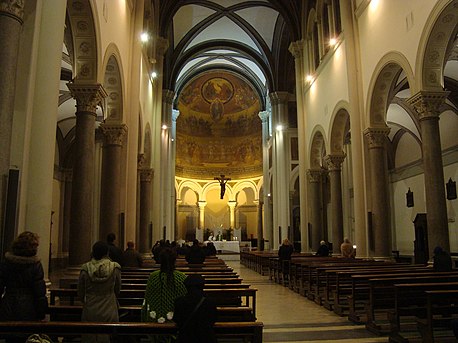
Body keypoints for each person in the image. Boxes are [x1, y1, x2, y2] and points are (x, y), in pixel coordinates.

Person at [78, 240, 121, 343]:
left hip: (91, 307)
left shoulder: (85, 269)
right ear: (107, 253)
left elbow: (80, 291)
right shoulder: (114, 267)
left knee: (90, 336)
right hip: (109, 306)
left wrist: (84, 301)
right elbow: (118, 289)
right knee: (109, 335)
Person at [0, 231, 48, 322]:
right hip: (28, 306)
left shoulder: (7, 263)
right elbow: (39, 293)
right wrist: (41, 313)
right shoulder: (35, 265)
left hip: (8, 304)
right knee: (25, 333)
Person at [142, 248, 187, 326]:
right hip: (177, 321)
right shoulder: (181, 277)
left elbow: (148, 298)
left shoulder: (153, 276)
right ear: (175, 260)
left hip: (155, 321)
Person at [173, 275, 217, 343]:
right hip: (206, 338)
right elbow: (213, 319)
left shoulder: (179, 301)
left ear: (186, 287)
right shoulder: (210, 302)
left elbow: (176, 319)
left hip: (185, 338)